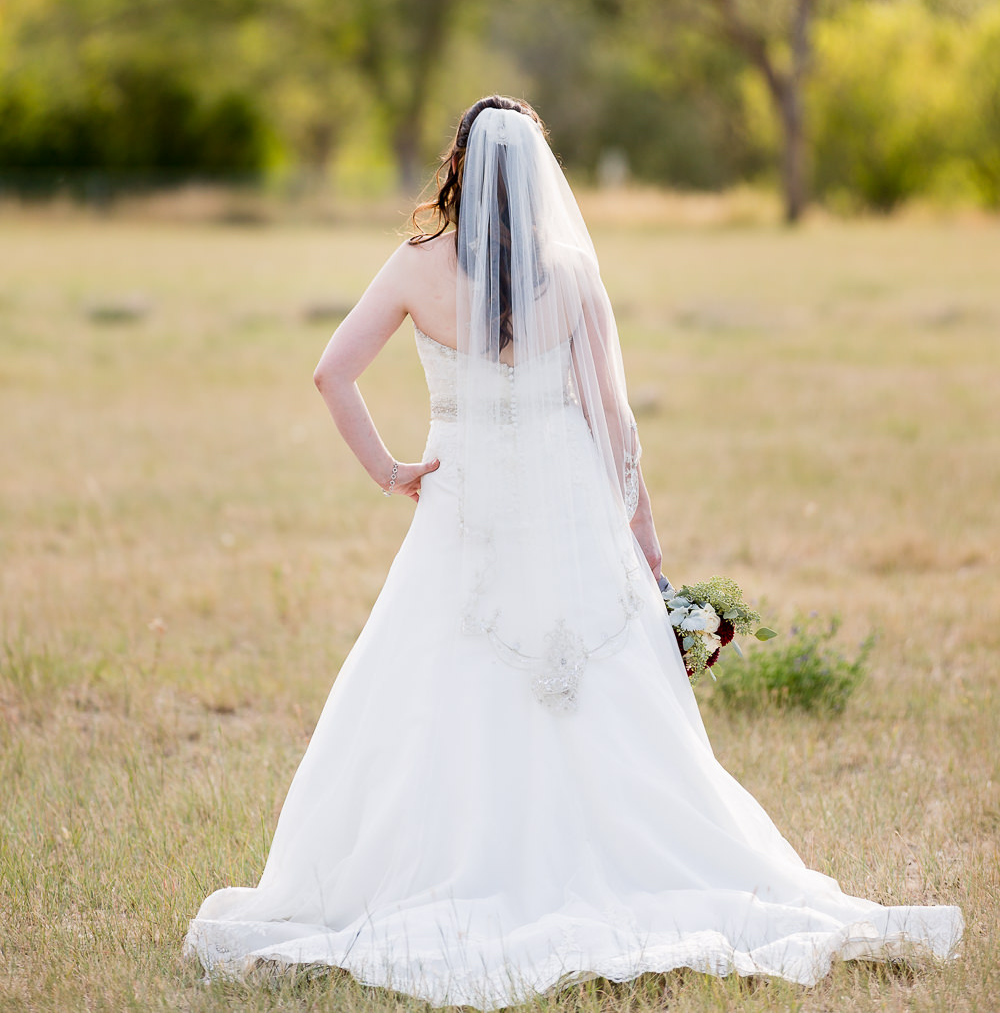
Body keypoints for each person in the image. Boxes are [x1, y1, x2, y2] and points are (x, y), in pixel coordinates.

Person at [184, 94, 961, 1007]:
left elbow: (331, 372)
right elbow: (613, 427)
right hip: (567, 506)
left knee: (443, 677)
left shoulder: (415, 265)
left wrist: (391, 469)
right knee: (595, 689)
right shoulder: (570, 272)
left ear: (461, 167)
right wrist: (650, 551)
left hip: (462, 508)